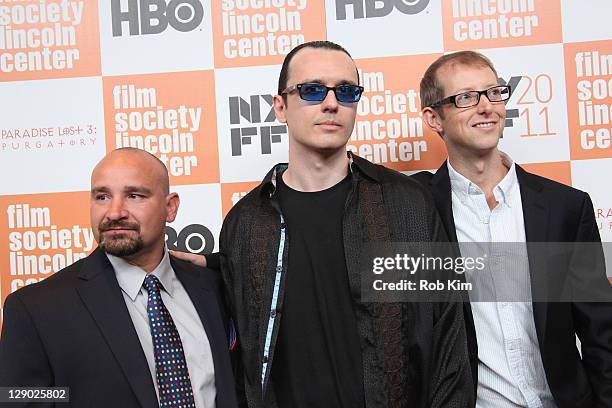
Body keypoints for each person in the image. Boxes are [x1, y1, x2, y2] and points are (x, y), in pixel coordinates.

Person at [176, 40, 474, 407]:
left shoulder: (406, 203)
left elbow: (448, 342)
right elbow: (242, 362)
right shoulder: (246, 223)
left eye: (346, 92)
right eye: (312, 90)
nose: (331, 103)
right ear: (280, 107)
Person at [415, 51, 612, 407]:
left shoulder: (565, 206)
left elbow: (601, 331)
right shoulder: (416, 208)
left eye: (493, 92)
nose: (486, 106)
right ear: (434, 118)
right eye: (465, 98)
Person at [0, 148, 238, 408]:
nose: (114, 212)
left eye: (134, 195)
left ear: (170, 207)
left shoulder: (213, 288)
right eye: (102, 197)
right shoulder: (36, 309)